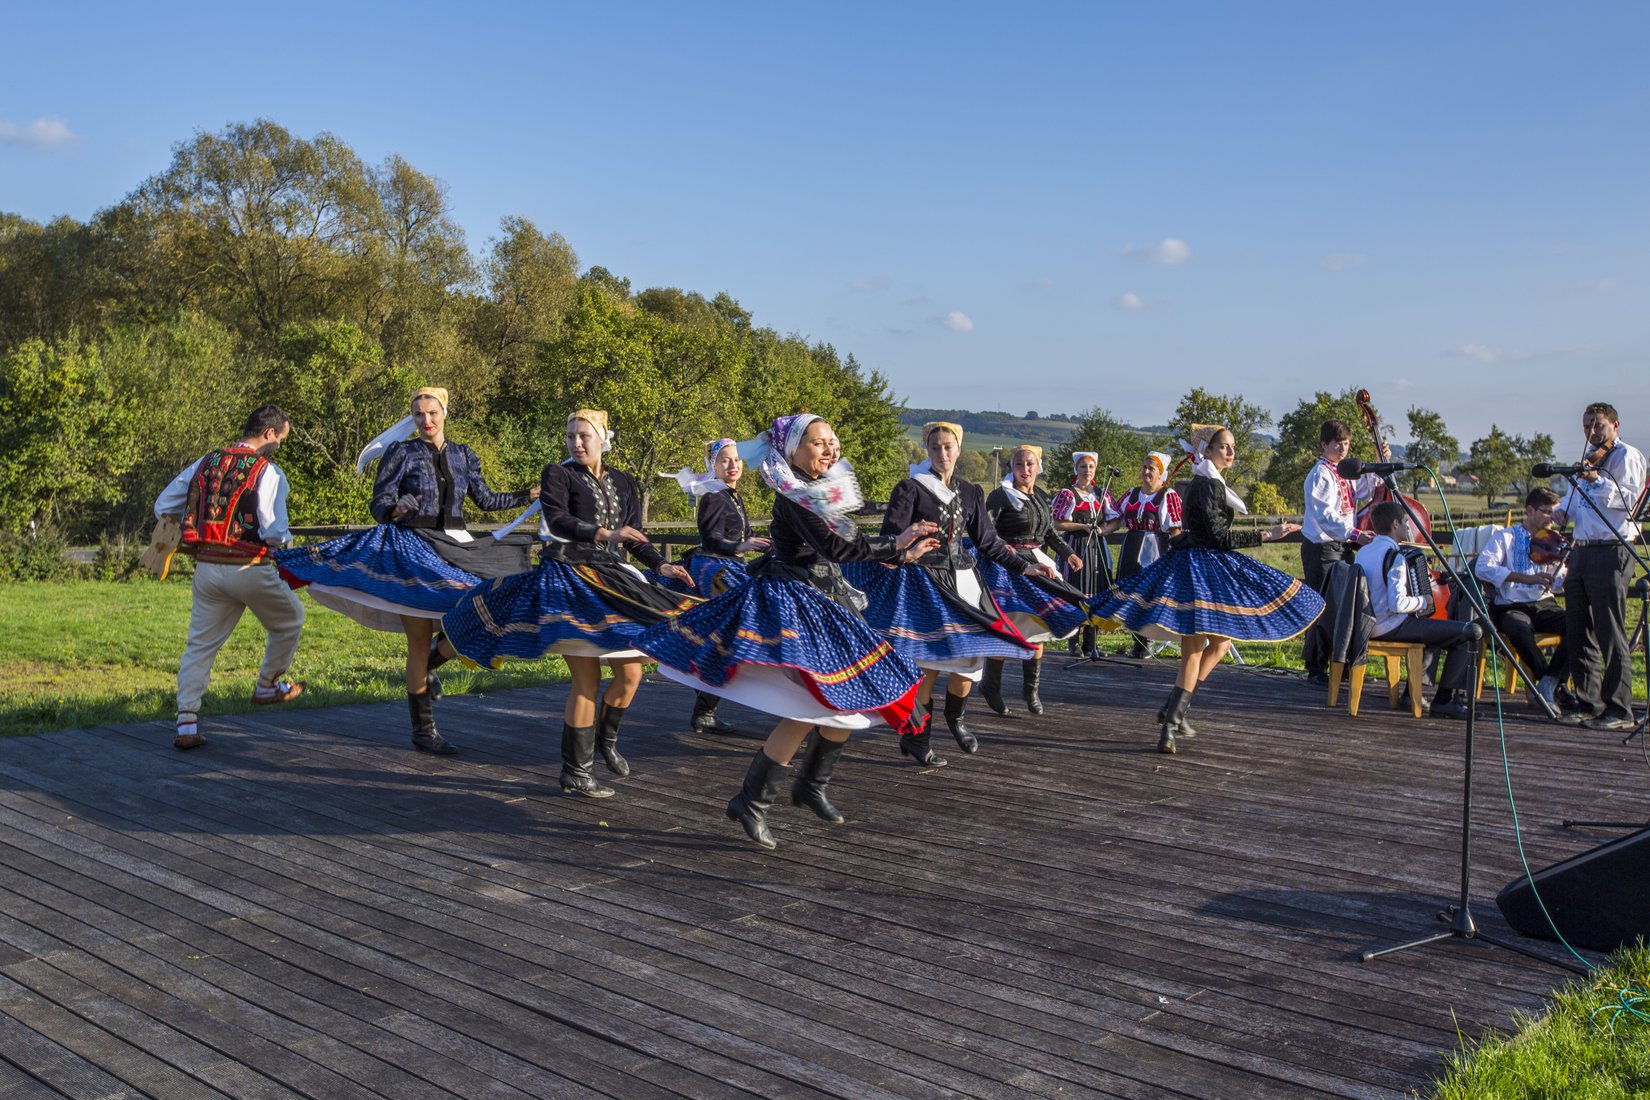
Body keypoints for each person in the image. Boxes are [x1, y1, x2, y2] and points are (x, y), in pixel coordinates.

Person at [637, 414, 939, 850]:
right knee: (809, 705)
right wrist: (899, 541)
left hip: (824, 599)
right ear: (792, 450)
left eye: (833, 442)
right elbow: (838, 548)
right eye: (818, 443)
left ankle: (809, 785)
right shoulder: (794, 497)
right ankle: (753, 800)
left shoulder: (818, 493)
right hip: (793, 602)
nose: (830, 450)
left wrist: (903, 553)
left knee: (854, 700)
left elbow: (845, 547)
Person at [441, 410, 697, 796]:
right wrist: (602, 532)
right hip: (571, 577)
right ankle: (576, 770)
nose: (576, 443)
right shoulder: (558, 475)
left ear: (603, 438)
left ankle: (605, 742)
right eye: (571, 436)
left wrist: (663, 564)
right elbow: (558, 519)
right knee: (588, 678)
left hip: (615, 580)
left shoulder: (624, 482)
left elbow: (632, 537)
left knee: (631, 675)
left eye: (584, 436)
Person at [276, 386, 540, 755]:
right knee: (416, 641)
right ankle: (423, 731)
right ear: (412, 418)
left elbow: (486, 499)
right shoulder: (402, 453)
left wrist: (527, 495)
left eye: (432, 413)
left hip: (460, 546)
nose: (426, 421)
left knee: (493, 606)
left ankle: (434, 660)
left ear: (445, 412)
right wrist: (396, 509)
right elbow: (379, 503)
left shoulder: (464, 456)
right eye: (418, 415)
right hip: (414, 549)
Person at [1090, 426, 1315, 753]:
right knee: (1195, 651)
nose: (1231, 453)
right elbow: (1219, 539)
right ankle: (1170, 724)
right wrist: (1267, 535)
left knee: (1219, 645)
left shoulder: (1208, 482)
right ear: (1207, 451)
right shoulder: (1207, 485)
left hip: (1199, 563)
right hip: (1200, 569)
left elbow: (1208, 533)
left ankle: (1173, 709)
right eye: (1224, 447)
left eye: (1232, 447)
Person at [850, 421, 1047, 765]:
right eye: (935, 447)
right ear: (928, 450)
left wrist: (1025, 567)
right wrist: (909, 536)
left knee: (969, 663)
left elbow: (987, 542)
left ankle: (955, 718)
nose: (942, 453)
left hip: (964, 581)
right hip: (924, 581)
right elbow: (891, 537)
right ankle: (918, 736)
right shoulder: (910, 488)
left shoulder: (971, 492)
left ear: (959, 448)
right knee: (930, 664)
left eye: (948, 447)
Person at [154, 405, 305, 751]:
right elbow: (272, 529)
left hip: (207, 570)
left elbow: (164, 504)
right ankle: (268, 683)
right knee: (290, 620)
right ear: (269, 433)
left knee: (200, 646)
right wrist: (286, 541)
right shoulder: (268, 471)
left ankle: (186, 722)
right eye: (280, 439)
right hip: (248, 567)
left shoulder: (207, 461)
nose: (278, 446)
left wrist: (192, 521)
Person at [660, 437, 772, 735]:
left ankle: (705, 709)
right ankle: (706, 705)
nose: (733, 465)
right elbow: (711, 538)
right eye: (725, 460)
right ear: (713, 465)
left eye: (736, 460)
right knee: (734, 627)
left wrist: (763, 543)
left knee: (727, 635)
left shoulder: (733, 496)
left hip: (730, 563)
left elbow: (742, 534)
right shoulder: (712, 495)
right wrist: (743, 543)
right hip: (713, 566)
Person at [1552, 402, 1647, 731]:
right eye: (1586, 426)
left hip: (1611, 549)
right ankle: (1589, 702)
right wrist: (1562, 511)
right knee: (1579, 630)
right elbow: (1573, 501)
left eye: (1598, 426)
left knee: (1610, 631)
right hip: (1582, 550)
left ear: (1615, 426)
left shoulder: (1626, 457)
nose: (1592, 432)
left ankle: (1620, 708)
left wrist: (1595, 480)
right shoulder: (1586, 464)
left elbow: (1627, 500)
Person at [980, 444, 1087, 716]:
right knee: (1007, 627)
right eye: (1019, 464)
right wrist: (1007, 548)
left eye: (1030, 464)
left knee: (1040, 623)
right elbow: (985, 533)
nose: (1025, 470)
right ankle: (990, 685)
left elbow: (1049, 532)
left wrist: (1069, 553)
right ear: (1012, 467)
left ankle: (1031, 689)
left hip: (1037, 562)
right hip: (1007, 567)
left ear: (1038, 466)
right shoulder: (1000, 496)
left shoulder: (1040, 496)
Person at [1358, 500, 1477, 719]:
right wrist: (1424, 602)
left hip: (1368, 624)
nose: (1408, 528)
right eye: (1406, 522)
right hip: (1390, 625)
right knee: (1466, 633)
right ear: (1395, 524)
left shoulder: (1364, 552)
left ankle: (1411, 694)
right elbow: (1398, 604)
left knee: (1436, 633)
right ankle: (1444, 701)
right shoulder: (1396, 557)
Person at [1300, 420, 1379, 687]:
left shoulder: (1344, 472)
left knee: (1345, 605)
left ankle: (1340, 662)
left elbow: (1364, 492)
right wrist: (1355, 534)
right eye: (1336, 445)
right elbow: (1325, 515)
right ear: (1324, 445)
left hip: (1342, 546)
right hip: (1321, 548)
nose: (1342, 450)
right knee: (1323, 605)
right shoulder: (1320, 474)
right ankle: (1315, 665)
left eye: (1345, 444)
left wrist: (1380, 463)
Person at [1474, 486, 1569, 709]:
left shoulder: (1555, 540)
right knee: (1518, 629)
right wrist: (1527, 579)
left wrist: (1560, 572)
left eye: (1554, 512)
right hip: (1511, 604)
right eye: (1546, 511)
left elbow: (1558, 582)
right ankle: (1550, 683)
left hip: (1543, 603)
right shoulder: (1506, 537)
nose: (1552, 518)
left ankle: (1550, 683)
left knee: (1580, 625)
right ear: (1529, 510)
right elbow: (1482, 567)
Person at [1104, 450, 1184, 659]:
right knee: (1132, 595)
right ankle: (1137, 641)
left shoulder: (1168, 495)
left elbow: (1176, 529)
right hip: (1132, 546)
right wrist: (1099, 531)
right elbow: (1117, 519)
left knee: (1150, 595)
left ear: (1161, 474)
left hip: (1156, 547)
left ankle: (1147, 640)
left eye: (1152, 468)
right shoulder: (1131, 493)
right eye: (1145, 467)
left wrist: (1175, 557)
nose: (1146, 471)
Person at [1052, 452, 1115, 658]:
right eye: (1083, 467)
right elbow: (1057, 523)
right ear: (1076, 470)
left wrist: (1101, 530)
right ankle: (1073, 641)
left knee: (1096, 592)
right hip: (1076, 545)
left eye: (1091, 467)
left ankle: (1092, 643)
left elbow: (1117, 520)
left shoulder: (1101, 494)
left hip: (1097, 547)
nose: (1087, 470)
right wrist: (1083, 526)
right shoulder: (1068, 494)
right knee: (1076, 591)